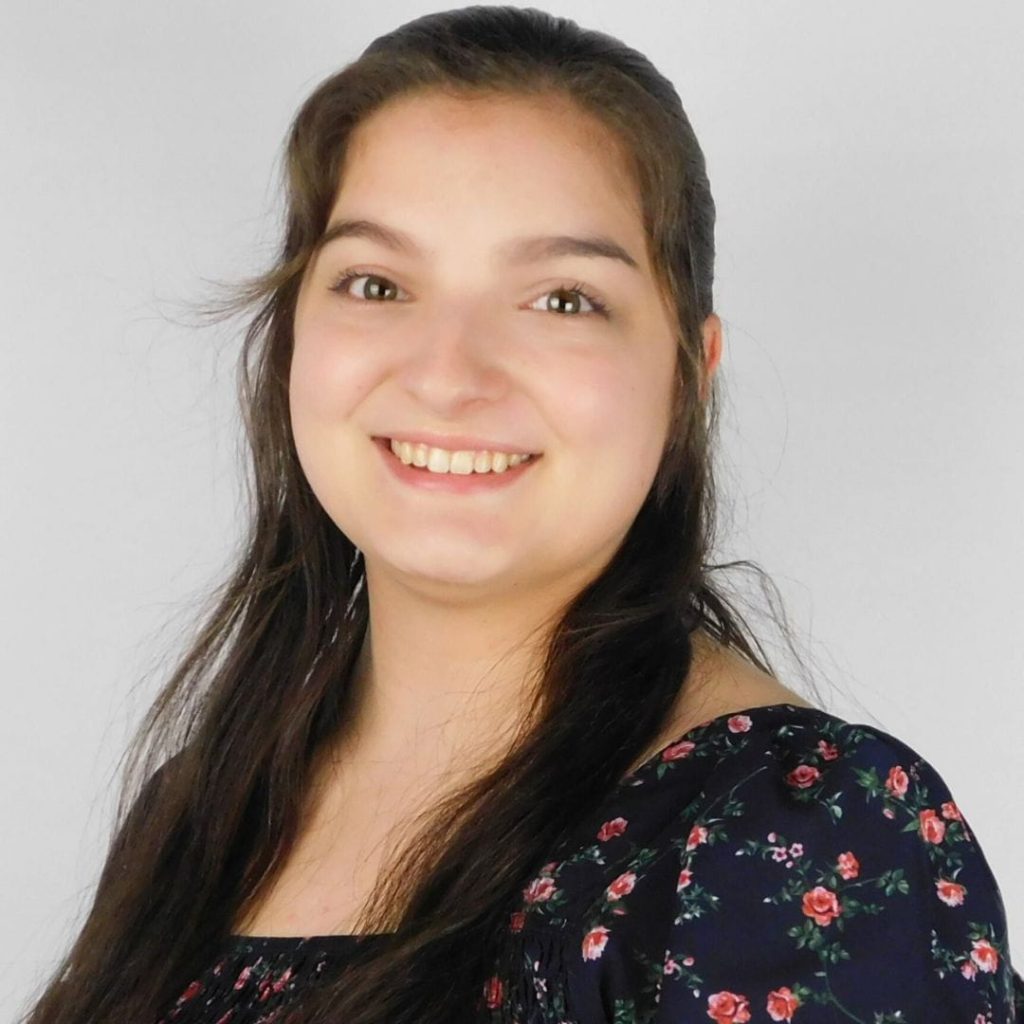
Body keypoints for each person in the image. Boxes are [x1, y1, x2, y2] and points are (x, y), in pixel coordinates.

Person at [22, 6, 1022, 1024]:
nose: (447, 374)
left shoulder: (791, 839)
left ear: (689, 373)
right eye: (377, 284)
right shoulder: (208, 810)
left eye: (561, 299)